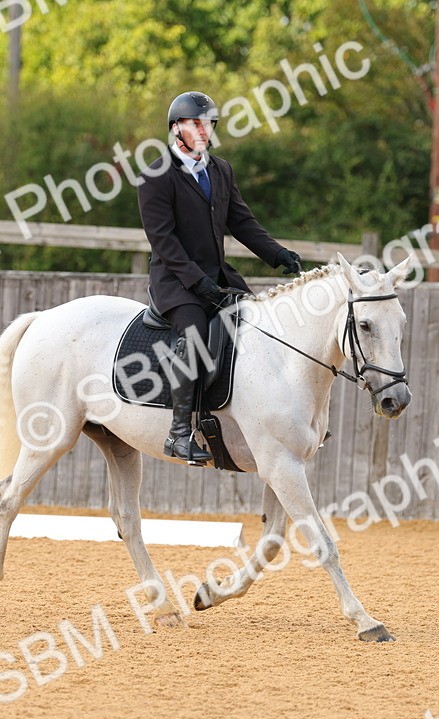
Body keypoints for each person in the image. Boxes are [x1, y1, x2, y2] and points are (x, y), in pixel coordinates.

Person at [137, 91, 303, 464]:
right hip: (176, 283)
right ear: (176, 128)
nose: (202, 130)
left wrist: (278, 254)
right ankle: (179, 433)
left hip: (219, 278)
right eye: (194, 123)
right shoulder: (156, 175)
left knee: (264, 325)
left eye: (208, 124)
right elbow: (163, 241)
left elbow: (242, 222)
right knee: (195, 336)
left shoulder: (221, 170)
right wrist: (197, 283)